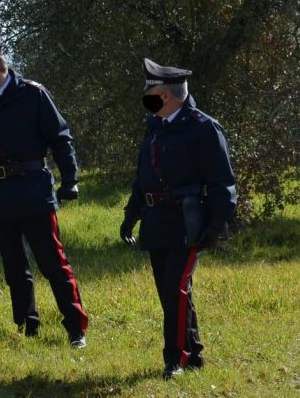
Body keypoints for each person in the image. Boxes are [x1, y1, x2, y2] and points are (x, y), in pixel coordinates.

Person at [0, 42, 89, 348]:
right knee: (14, 268)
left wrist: (70, 180)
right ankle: (27, 326)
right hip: (1, 195)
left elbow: (61, 138)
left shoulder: (33, 94)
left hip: (34, 191)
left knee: (52, 263)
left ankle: (75, 328)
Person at [120, 58, 237, 379]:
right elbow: (142, 177)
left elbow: (222, 182)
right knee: (169, 291)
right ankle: (194, 353)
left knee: (176, 290)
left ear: (167, 95)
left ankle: (177, 359)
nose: (146, 97)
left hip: (188, 223)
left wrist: (215, 226)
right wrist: (131, 215)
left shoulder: (202, 127)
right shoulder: (155, 127)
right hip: (156, 222)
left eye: (150, 91)